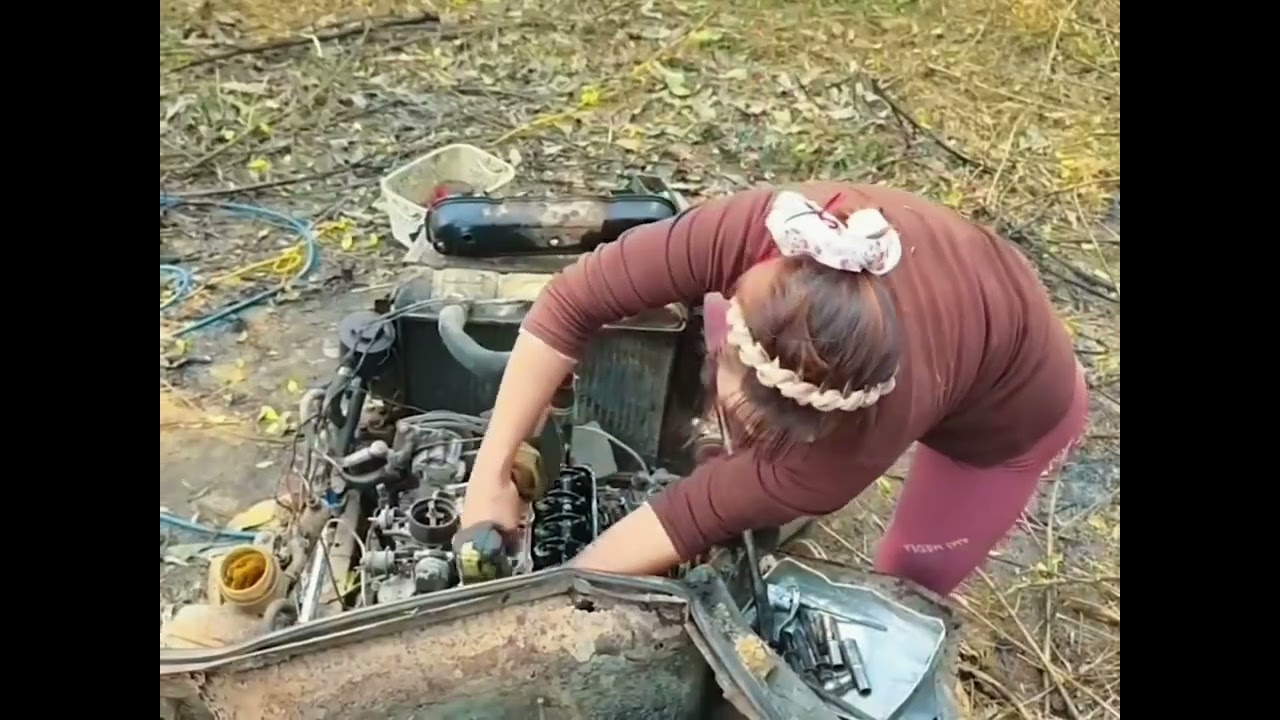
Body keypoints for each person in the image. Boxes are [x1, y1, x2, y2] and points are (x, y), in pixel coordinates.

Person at [458, 181, 1087, 597]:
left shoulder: (846, 453)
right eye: (735, 396)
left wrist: (546, 594)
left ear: (824, 427)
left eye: (764, 432)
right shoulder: (758, 230)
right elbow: (571, 303)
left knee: (911, 579)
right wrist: (487, 475)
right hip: (963, 280)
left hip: (1011, 409)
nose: (735, 421)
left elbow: (689, 513)